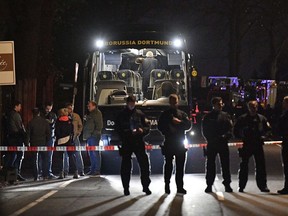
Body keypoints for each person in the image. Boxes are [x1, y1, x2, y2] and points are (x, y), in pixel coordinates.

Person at [115, 95, 151, 196]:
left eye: (133, 103)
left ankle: (146, 187)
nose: (131, 104)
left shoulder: (140, 114)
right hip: (127, 142)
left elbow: (147, 126)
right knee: (126, 166)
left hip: (138, 142)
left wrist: (142, 131)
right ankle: (126, 188)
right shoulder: (121, 115)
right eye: (130, 103)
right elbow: (117, 129)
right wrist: (127, 134)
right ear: (127, 103)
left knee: (144, 165)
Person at [234, 100, 271, 193]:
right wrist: (242, 136)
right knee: (244, 166)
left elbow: (268, 130)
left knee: (261, 166)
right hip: (247, 144)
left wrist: (265, 136)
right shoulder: (242, 119)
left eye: (255, 107)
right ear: (248, 108)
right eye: (252, 107)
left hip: (258, 144)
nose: (253, 109)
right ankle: (241, 185)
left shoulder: (262, 119)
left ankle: (263, 186)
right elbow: (235, 130)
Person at [158, 94, 191, 194]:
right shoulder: (165, 114)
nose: (174, 104)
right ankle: (167, 185)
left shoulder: (182, 114)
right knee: (168, 165)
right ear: (169, 102)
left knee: (180, 167)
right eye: (172, 102)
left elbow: (188, 125)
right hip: (169, 141)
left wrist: (179, 122)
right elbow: (160, 127)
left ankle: (179, 187)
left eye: (175, 102)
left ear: (178, 102)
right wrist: (169, 127)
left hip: (179, 142)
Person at [201, 97, 233, 193]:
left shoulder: (226, 116)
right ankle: (209, 184)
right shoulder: (208, 117)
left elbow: (230, 129)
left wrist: (225, 137)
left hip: (223, 143)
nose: (220, 105)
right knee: (210, 165)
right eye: (218, 104)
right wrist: (210, 139)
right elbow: (204, 131)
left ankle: (227, 184)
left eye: (221, 104)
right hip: (212, 143)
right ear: (214, 105)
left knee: (225, 165)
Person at [4, 100, 28, 181]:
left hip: (10, 138)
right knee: (18, 156)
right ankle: (16, 173)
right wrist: (25, 137)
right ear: (16, 106)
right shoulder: (16, 115)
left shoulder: (9, 114)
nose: (20, 108)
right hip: (17, 138)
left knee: (11, 156)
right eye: (19, 106)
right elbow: (20, 127)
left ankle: (9, 174)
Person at [27, 108, 51, 181]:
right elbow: (48, 133)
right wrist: (47, 141)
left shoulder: (31, 122)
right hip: (43, 143)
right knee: (45, 159)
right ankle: (45, 175)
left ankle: (35, 176)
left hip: (34, 143)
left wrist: (27, 143)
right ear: (39, 113)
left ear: (33, 114)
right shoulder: (44, 122)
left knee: (34, 160)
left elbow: (28, 134)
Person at [55, 108, 78, 179]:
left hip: (60, 141)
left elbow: (57, 132)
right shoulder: (70, 121)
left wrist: (59, 137)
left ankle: (61, 173)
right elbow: (72, 131)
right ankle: (75, 172)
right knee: (72, 156)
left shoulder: (58, 122)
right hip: (69, 141)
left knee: (60, 157)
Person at [63, 103, 84, 177]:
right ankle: (65, 171)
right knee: (65, 155)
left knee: (78, 154)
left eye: (71, 107)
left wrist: (78, 132)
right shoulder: (64, 116)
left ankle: (80, 170)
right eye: (69, 108)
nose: (70, 109)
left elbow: (80, 125)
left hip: (75, 137)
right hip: (66, 139)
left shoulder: (76, 116)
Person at [83, 101, 103, 176]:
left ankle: (97, 170)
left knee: (95, 153)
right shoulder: (91, 114)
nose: (88, 107)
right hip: (89, 136)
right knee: (91, 153)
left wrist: (93, 133)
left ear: (94, 106)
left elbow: (99, 125)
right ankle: (93, 169)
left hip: (94, 136)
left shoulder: (97, 113)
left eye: (89, 106)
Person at [43, 102, 58, 179]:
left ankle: (46, 173)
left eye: (49, 108)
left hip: (48, 137)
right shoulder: (52, 115)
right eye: (47, 108)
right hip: (46, 137)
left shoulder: (51, 115)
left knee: (47, 156)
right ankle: (46, 173)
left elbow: (54, 124)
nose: (48, 110)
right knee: (47, 156)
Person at [277, 96, 288, 194]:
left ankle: (287, 186)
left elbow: (281, 128)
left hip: (287, 141)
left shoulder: (285, 115)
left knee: (287, 165)